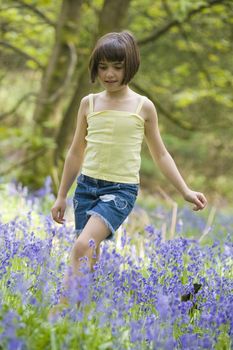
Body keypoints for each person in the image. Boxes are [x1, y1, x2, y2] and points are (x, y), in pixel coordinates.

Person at [50, 31, 207, 310]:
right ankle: (81, 316)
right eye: (103, 67)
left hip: (119, 191)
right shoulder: (89, 103)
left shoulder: (143, 107)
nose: (109, 74)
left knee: (80, 247)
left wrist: (185, 190)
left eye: (117, 67)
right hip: (86, 187)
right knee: (89, 254)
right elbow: (76, 151)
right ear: (96, 67)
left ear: (130, 67)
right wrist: (61, 195)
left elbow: (160, 153)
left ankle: (60, 312)